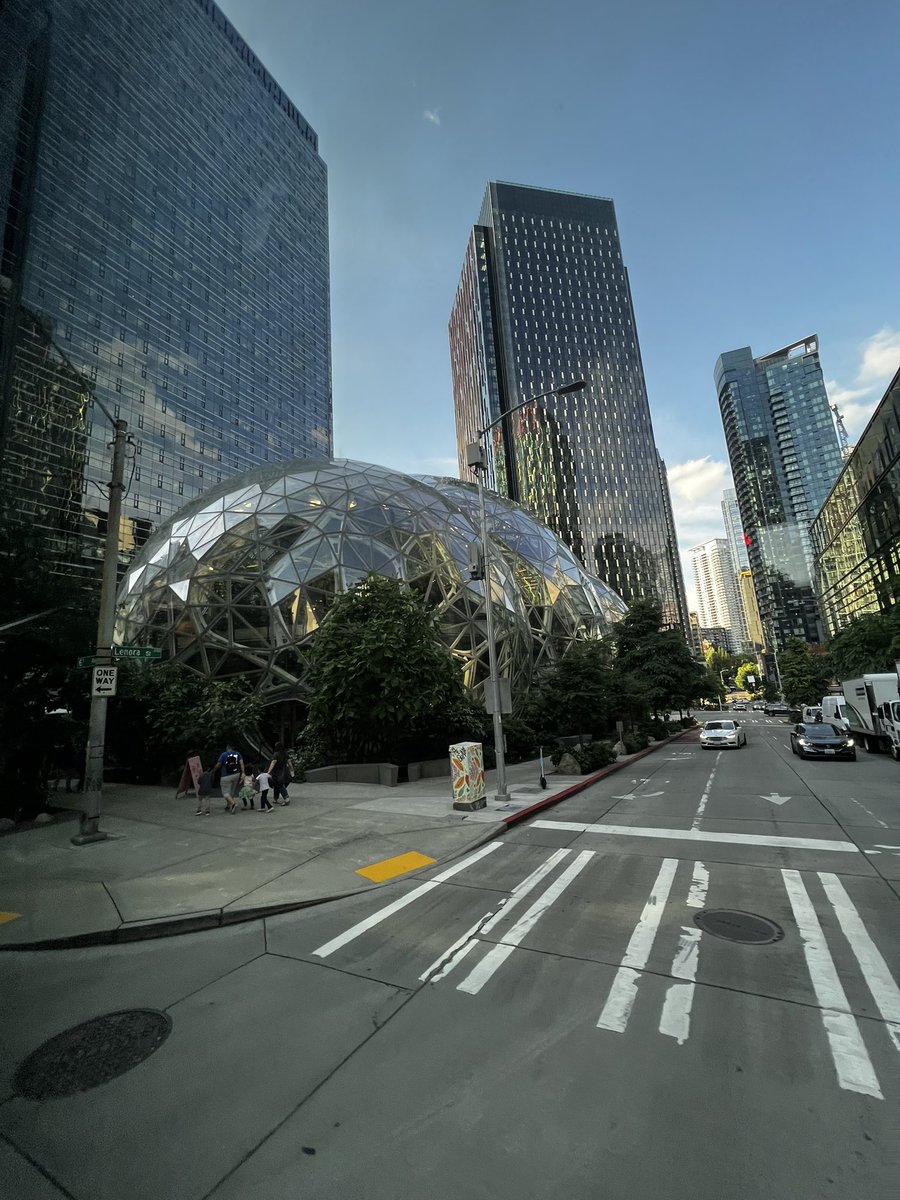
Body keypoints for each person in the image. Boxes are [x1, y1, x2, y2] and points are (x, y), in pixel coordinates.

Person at [217, 744, 244, 811]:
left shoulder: (223, 754)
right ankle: (228, 805)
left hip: (225, 776)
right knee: (231, 792)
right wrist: (243, 772)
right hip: (236, 774)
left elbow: (219, 764)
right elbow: (241, 763)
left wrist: (213, 771)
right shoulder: (237, 754)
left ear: (227, 747)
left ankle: (233, 804)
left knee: (225, 793)